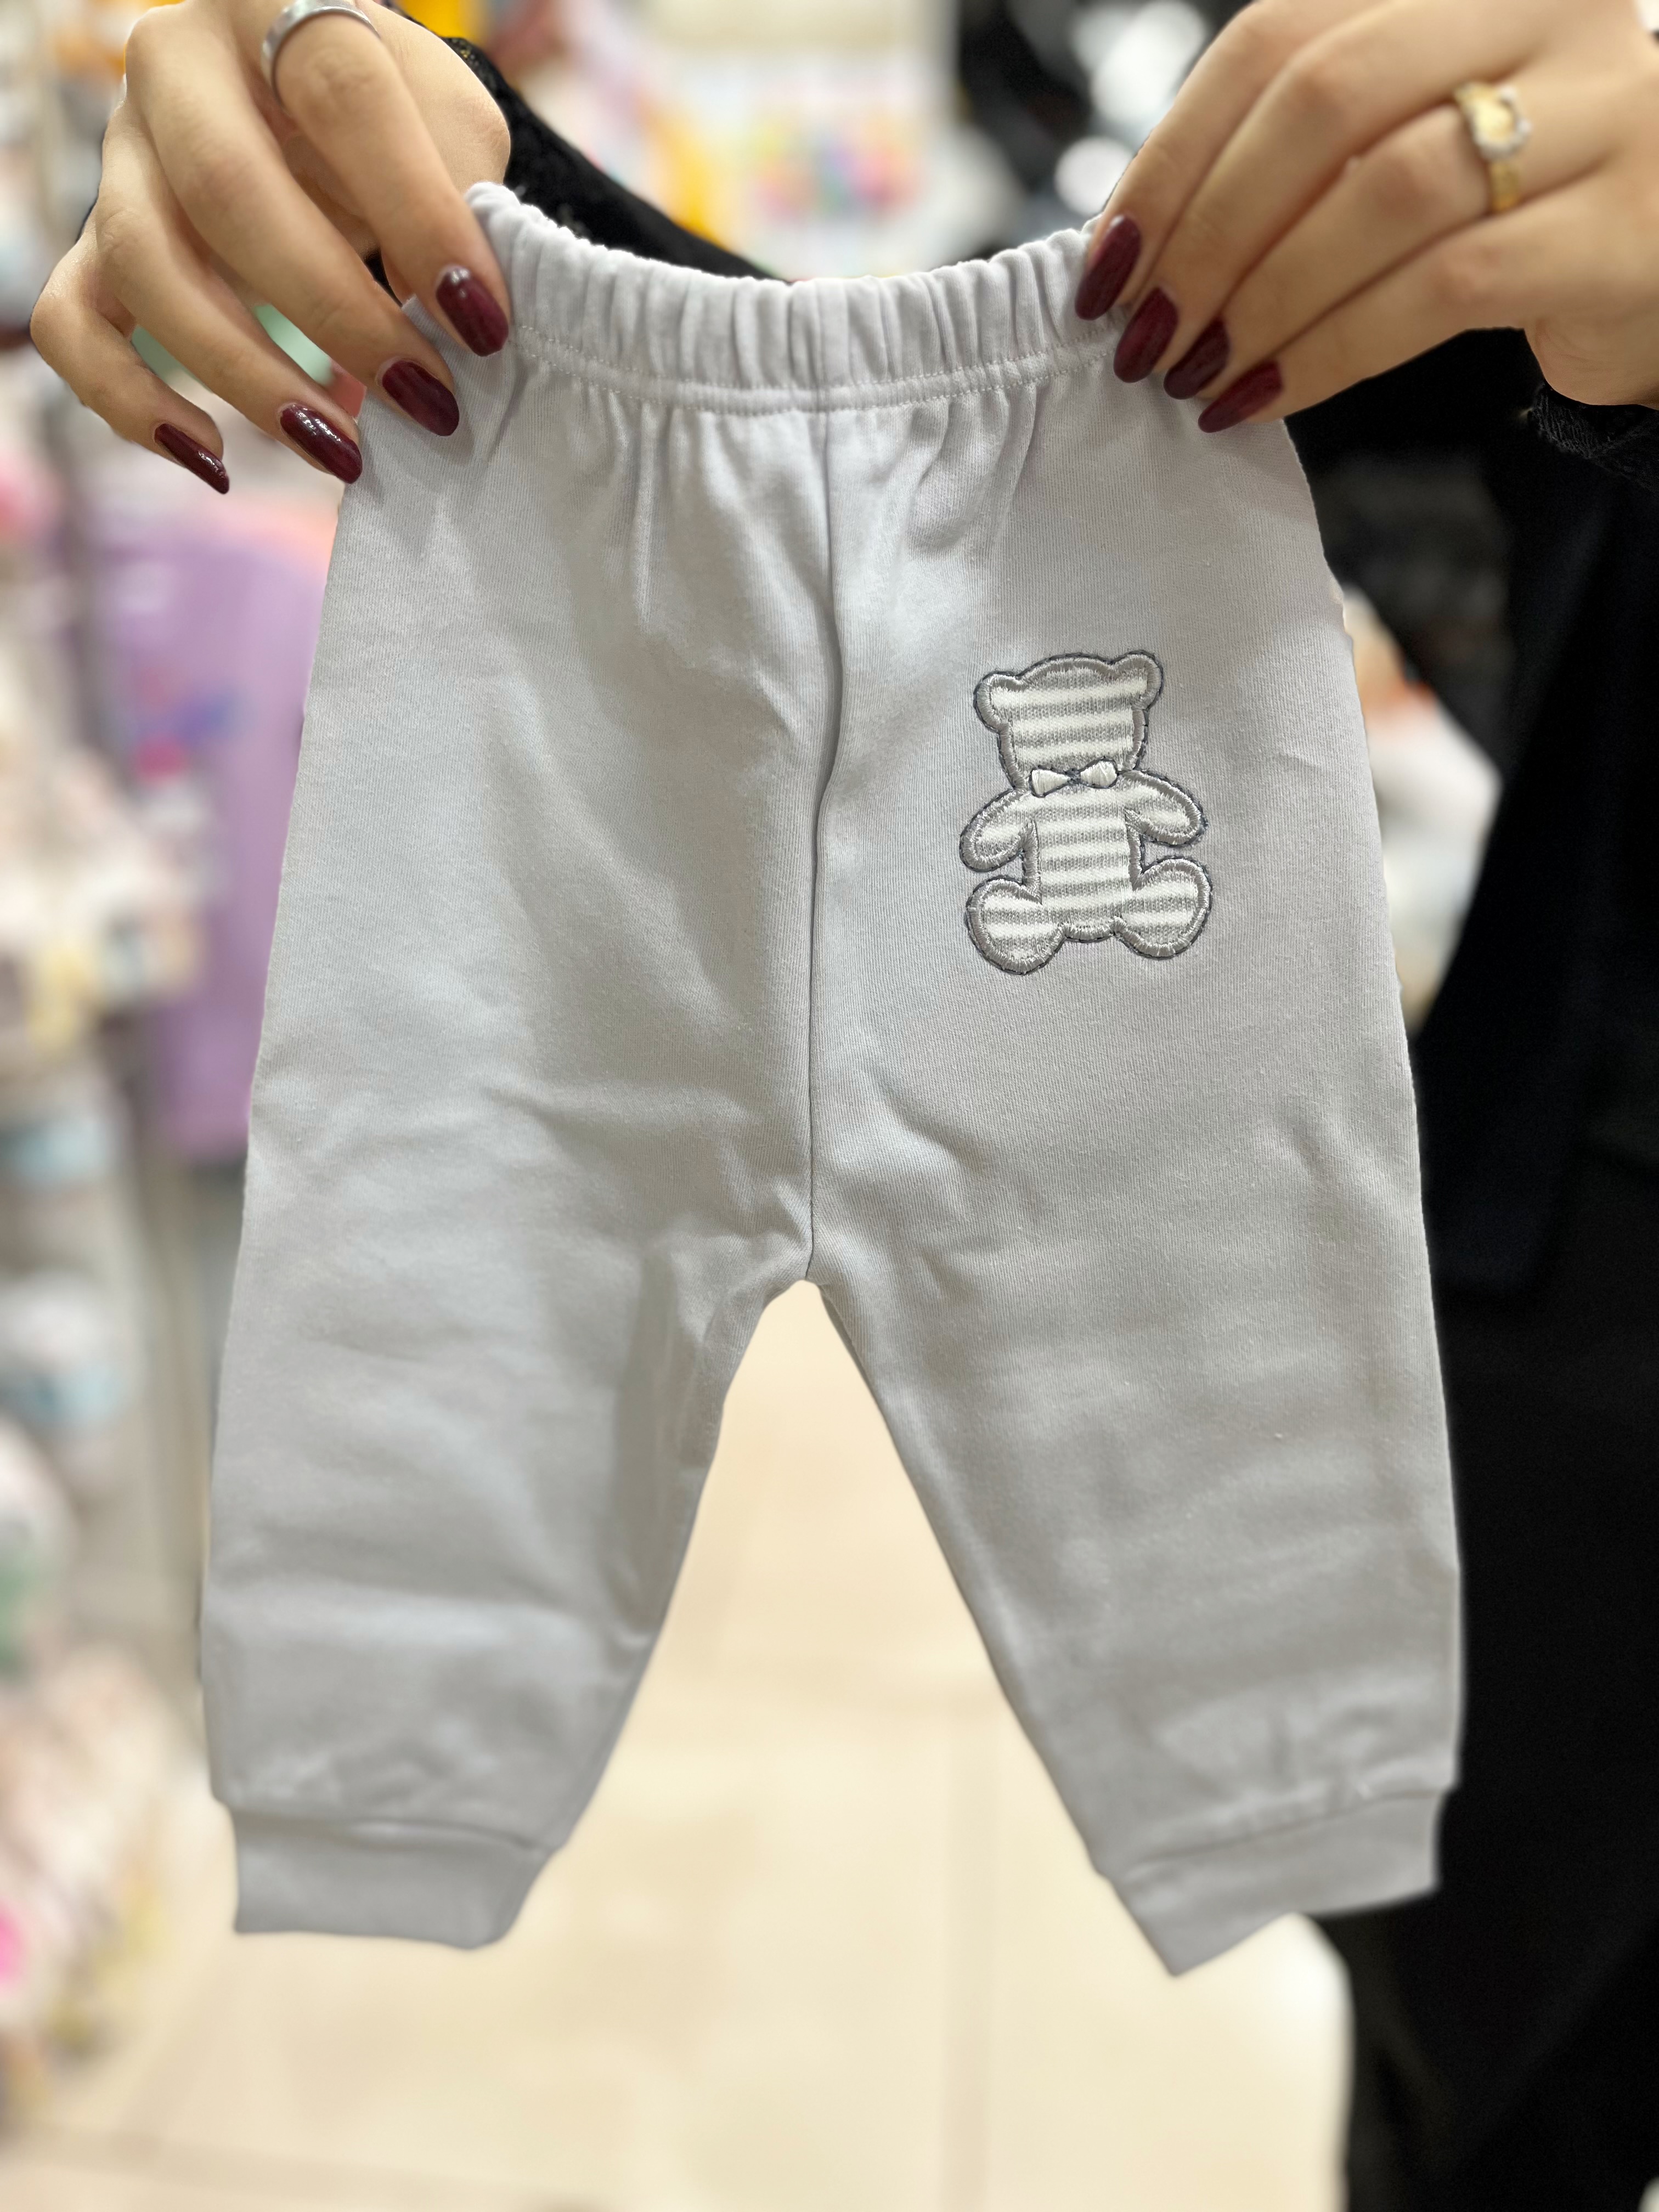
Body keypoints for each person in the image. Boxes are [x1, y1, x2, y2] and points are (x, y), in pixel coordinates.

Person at [29, 0, 1659, 2201]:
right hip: (1594, 1360)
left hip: (1575, 1290)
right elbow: (882, 427)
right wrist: (472, 214)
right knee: (1487, 2072)